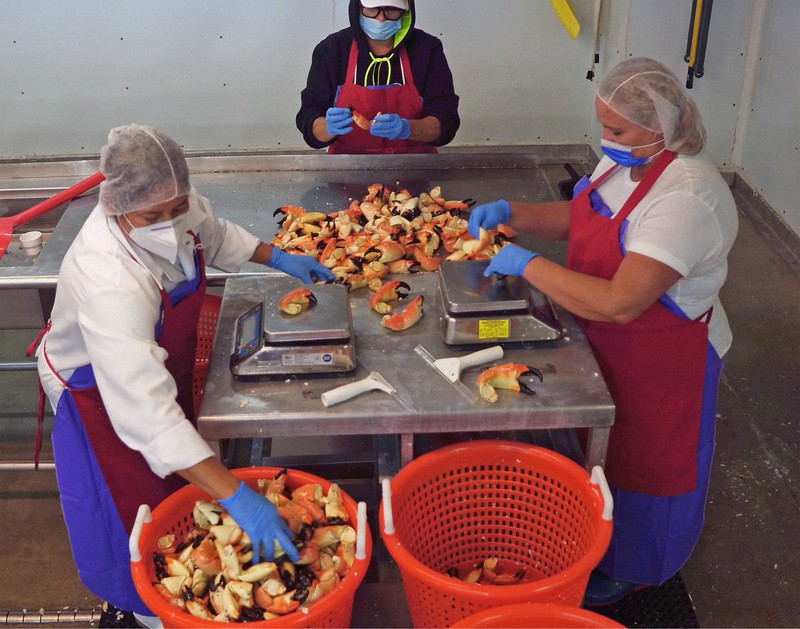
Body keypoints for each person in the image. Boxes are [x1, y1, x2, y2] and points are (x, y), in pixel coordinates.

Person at [33, 124, 335, 627]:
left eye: (176, 209)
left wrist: (281, 258)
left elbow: (215, 235)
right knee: (125, 508)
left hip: (158, 368)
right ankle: (141, 610)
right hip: (92, 389)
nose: (169, 225)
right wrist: (238, 497)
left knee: (175, 482)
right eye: (152, 217)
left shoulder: (174, 202)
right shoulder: (109, 279)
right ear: (114, 205)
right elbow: (148, 415)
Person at [468, 58, 738, 605]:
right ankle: (591, 535)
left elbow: (621, 303)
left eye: (617, 130)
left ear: (660, 127)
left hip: (665, 354)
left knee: (649, 463)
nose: (605, 140)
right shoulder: (623, 162)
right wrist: (513, 212)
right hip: (603, 336)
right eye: (603, 126)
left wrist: (526, 263)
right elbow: (583, 216)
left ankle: (640, 568)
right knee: (603, 447)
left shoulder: (686, 197)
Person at [296, 0, 460, 154]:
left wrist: (408, 128)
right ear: (358, 6)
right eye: (372, 9)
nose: (381, 18)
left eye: (391, 10)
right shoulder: (332, 50)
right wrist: (327, 127)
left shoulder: (426, 49)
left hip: (415, 165)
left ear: (406, 11)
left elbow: (446, 120)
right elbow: (309, 116)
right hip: (347, 165)